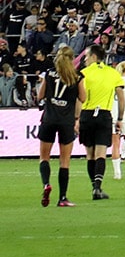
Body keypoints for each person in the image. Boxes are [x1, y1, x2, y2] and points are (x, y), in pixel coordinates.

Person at [78, 43, 125, 200]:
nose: (84, 60)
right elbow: (121, 98)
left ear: (93, 57)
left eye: (86, 56)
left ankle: (94, 187)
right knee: (101, 154)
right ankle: (97, 188)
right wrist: (120, 118)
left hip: (87, 114)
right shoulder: (113, 74)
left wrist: (77, 118)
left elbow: (79, 97)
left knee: (90, 154)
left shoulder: (84, 73)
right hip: (104, 115)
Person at [37, 45, 82, 208]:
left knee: (44, 157)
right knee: (64, 161)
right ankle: (62, 197)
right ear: (72, 59)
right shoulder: (77, 76)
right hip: (66, 121)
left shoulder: (49, 73)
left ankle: (46, 184)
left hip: (49, 118)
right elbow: (82, 97)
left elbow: (40, 95)